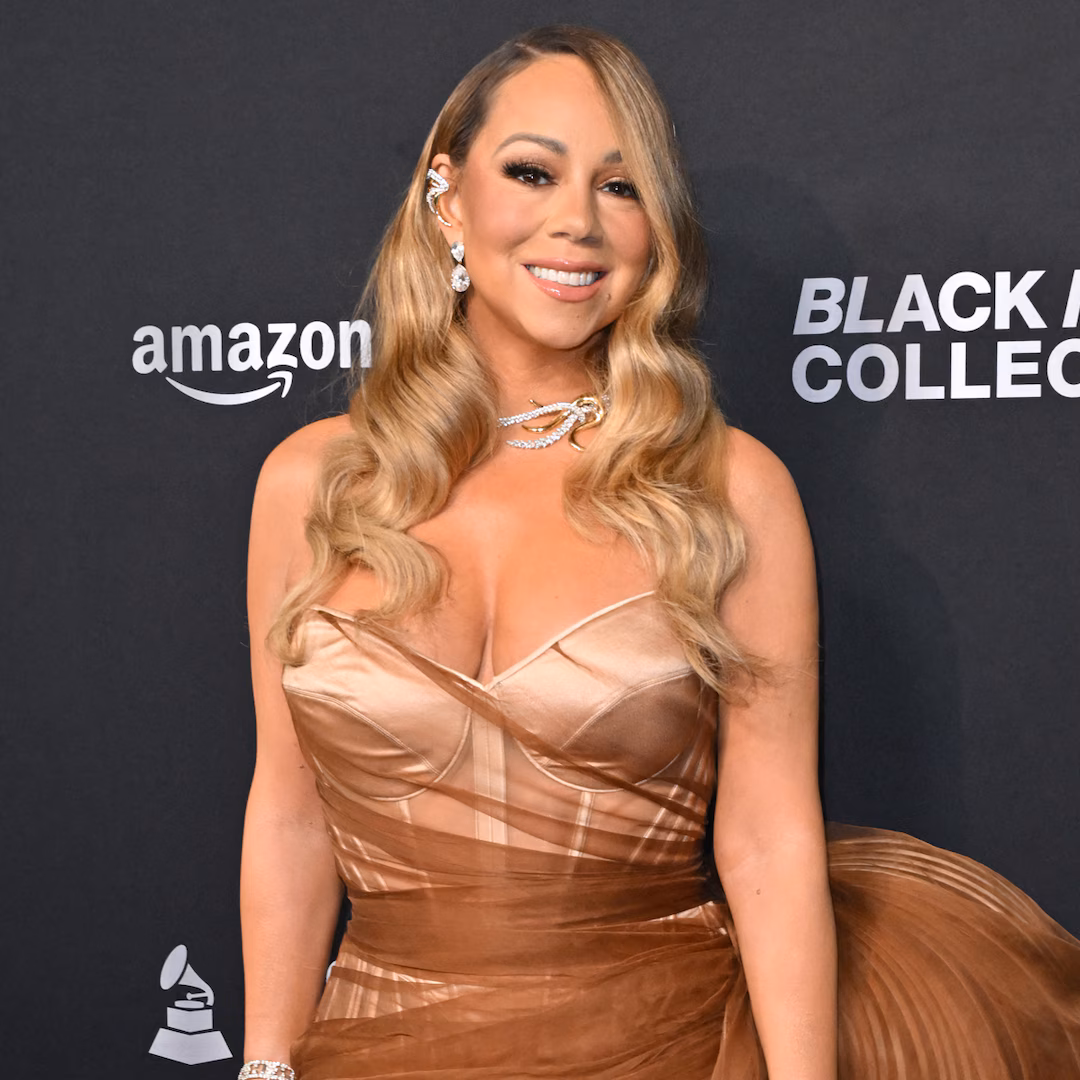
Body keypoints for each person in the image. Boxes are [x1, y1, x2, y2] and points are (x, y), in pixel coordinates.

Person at [239, 25, 1080, 1080]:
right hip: (377, 1044)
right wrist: (264, 1064)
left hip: (665, 1048)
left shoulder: (728, 490)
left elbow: (768, 835)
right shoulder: (312, 484)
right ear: (446, 196)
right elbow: (290, 812)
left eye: (621, 187)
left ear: (656, 231)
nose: (578, 222)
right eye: (533, 172)